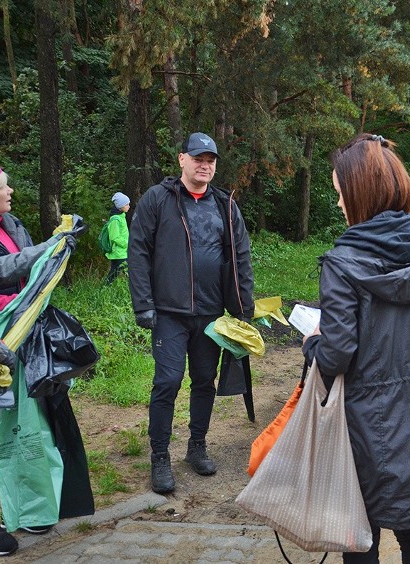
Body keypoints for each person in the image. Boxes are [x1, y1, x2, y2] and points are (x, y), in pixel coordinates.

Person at [301, 133, 410, 563]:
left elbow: (335, 356)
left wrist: (312, 343)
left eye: (339, 193)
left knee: (360, 529)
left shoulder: (341, 264)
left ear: (361, 195)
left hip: (365, 420)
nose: (338, 204)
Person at [128, 132, 254, 494]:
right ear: (182, 159)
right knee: (167, 381)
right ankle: (160, 456)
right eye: (198, 158)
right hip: (168, 312)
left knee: (204, 382)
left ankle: (196, 446)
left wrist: (242, 309)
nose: (205, 165)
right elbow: (138, 252)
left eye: (211, 160)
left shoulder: (226, 205)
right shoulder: (158, 199)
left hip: (212, 314)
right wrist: (143, 304)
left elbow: (241, 259)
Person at [0, 155, 69, 564]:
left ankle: (2, 517)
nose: (10, 192)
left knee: (3, 434)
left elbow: (4, 265)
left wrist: (54, 246)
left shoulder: (4, 228)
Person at [104, 191, 130, 284]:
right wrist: (126, 243)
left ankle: (106, 288)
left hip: (122, 251)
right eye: (126, 204)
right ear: (120, 206)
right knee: (128, 271)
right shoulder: (115, 219)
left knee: (114, 272)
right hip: (119, 251)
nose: (128, 206)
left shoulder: (121, 216)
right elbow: (114, 237)